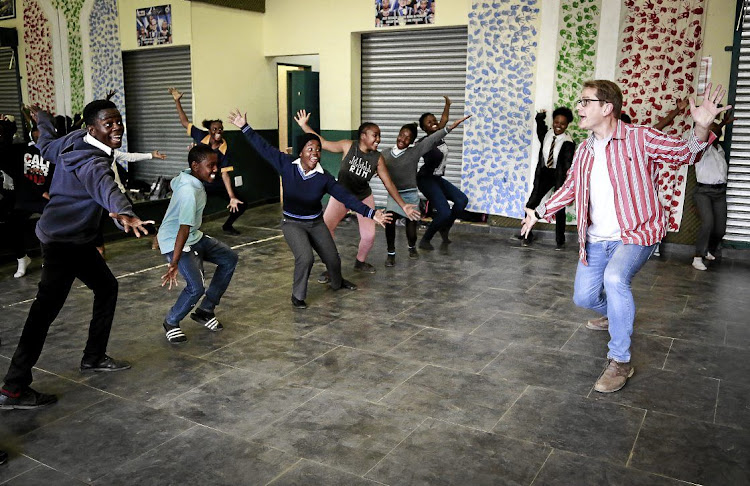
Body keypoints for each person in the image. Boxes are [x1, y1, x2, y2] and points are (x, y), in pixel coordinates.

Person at [521, 81, 729, 394]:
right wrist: (539, 211)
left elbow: (684, 153)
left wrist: (701, 126)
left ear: (606, 107)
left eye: (585, 101)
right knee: (584, 297)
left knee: (616, 279)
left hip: (637, 233)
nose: (579, 108)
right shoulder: (585, 149)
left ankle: (620, 360)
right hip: (596, 237)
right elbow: (572, 187)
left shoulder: (640, 137)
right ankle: (614, 314)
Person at [0, 101, 154, 410]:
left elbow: (45, 144)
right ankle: (13, 388)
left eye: (118, 122)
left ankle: (94, 357)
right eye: (108, 124)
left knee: (107, 286)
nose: (117, 128)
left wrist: (42, 118)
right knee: (43, 313)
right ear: (92, 128)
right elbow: (104, 185)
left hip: (75, 239)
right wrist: (124, 212)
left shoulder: (72, 140)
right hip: (62, 243)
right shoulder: (91, 160)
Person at [229, 109, 390, 308]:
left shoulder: (324, 177)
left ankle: (337, 284)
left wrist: (371, 213)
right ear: (301, 152)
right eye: (310, 149)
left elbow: (346, 197)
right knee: (305, 258)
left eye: (318, 150)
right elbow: (264, 148)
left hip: (315, 223)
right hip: (293, 223)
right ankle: (298, 297)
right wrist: (245, 127)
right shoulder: (287, 165)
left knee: (333, 259)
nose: (315, 154)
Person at [294, 110, 419, 281]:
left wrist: (403, 205)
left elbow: (388, 183)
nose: (378, 139)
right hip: (341, 195)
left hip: (362, 198)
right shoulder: (348, 145)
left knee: (369, 236)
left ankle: (360, 262)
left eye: (379, 136)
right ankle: (331, 266)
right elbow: (323, 142)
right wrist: (304, 125)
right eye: (375, 135)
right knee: (325, 229)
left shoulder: (378, 158)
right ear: (363, 136)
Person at [158, 146, 239, 343]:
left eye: (216, 165)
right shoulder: (188, 191)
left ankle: (205, 311)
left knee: (229, 258)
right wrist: (174, 262)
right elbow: (183, 228)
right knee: (196, 287)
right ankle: (171, 321)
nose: (215, 169)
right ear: (195, 166)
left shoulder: (188, 177)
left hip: (194, 236)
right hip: (176, 240)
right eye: (210, 165)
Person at [382, 114, 470, 266]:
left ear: (411, 141)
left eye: (407, 138)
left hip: (411, 194)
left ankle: (413, 246)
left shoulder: (414, 151)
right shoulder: (386, 153)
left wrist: (450, 126)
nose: (402, 139)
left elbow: (436, 134)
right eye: (401, 135)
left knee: (411, 229)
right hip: (396, 194)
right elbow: (376, 164)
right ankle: (391, 253)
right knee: (390, 222)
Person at [168, 87, 246, 235]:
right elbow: (184, 122)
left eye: (221, 129)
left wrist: (232, 197)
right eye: (215, 129)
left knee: (241, 203)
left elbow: (224, 175)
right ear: (210, 130)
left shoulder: (224, 147)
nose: (218, 132)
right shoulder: (200, 136)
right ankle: (175, 231)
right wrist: (177, 101)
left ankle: (227, 226)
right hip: (199, 182)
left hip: (215, 183)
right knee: (187, 206)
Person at [0, 122, 55, 278]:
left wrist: (51, 193)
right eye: (36, 132)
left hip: (47, 198)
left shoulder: (53, 153)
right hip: (27, 197)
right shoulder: (24, 150)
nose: (39, 135)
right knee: (12, 224)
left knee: (48, 227)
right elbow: (4, 150)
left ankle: (49, 260)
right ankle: (22, 258)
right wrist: (6, 127)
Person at [416, 96, 469, 250]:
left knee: (461, 200)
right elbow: (411, 157)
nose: (433, 123)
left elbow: (444, 120)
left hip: (437, 178)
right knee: (444, 211)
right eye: (429, 122)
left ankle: (445, 227)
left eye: (434, 120)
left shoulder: (440, 134)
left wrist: (447, 105)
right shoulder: (424, 143)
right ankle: (425, 239)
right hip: (425, 179)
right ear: (424, 128)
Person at [522, 107, 575, 250]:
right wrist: (540, 115)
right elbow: (540, 125)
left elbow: (567, 165)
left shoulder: (568, 142)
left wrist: (564, 185)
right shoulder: (546, 134)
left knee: (559, 207)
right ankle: (527, 234)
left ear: (567, 125)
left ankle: (560, 240)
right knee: (531, 203)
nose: (559, 126)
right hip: (545, 173)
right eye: (556, 122)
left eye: (563, 124)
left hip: (558, 176)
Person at [692, 111, 734, 271]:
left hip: (719, 193)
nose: (717, 132)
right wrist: (721, 124)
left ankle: (709, 249)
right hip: (704, 192)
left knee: (720, 228)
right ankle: (697, 257)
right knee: (708, 223)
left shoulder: (720, 150)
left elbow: (715, 135)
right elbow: (711, 137)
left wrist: (722, 124)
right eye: (714, 130)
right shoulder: (703, 149)